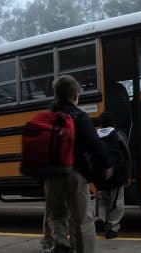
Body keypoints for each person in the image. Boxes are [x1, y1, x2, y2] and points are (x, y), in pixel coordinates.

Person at [42, 75, 112, 253]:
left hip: (51, 174)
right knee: (82, 218)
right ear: (75, 96)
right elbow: (95, 144)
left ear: (56, 96)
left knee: (56, 214)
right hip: (75, 173)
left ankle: (59, 243)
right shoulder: (79, 116)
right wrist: (106, 165)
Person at [94, 112, 131, 239]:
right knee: (116, 202)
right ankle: (112, 227)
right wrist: (127, 176)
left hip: (100, 177)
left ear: (100, 123)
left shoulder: (95, 136)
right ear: (114, 123)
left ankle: (101, 217)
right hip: (116, 176)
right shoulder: (117, 136)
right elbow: (126, 157)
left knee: (103, 199)